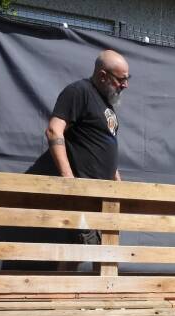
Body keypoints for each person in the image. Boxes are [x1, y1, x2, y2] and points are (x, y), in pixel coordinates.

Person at [42, 50, 129, 269]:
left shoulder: (106, 104)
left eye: (127, 79)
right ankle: (62, 290)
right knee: (81, 249)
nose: (125, 85)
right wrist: (69, 180)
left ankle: (102, 291)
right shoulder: (79, 92)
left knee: (105, 252)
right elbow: (54, 130)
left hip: (105, 196)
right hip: (84, 193)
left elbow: (103, 145)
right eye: (121, 79)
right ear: (103, 75)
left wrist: (116, 180)